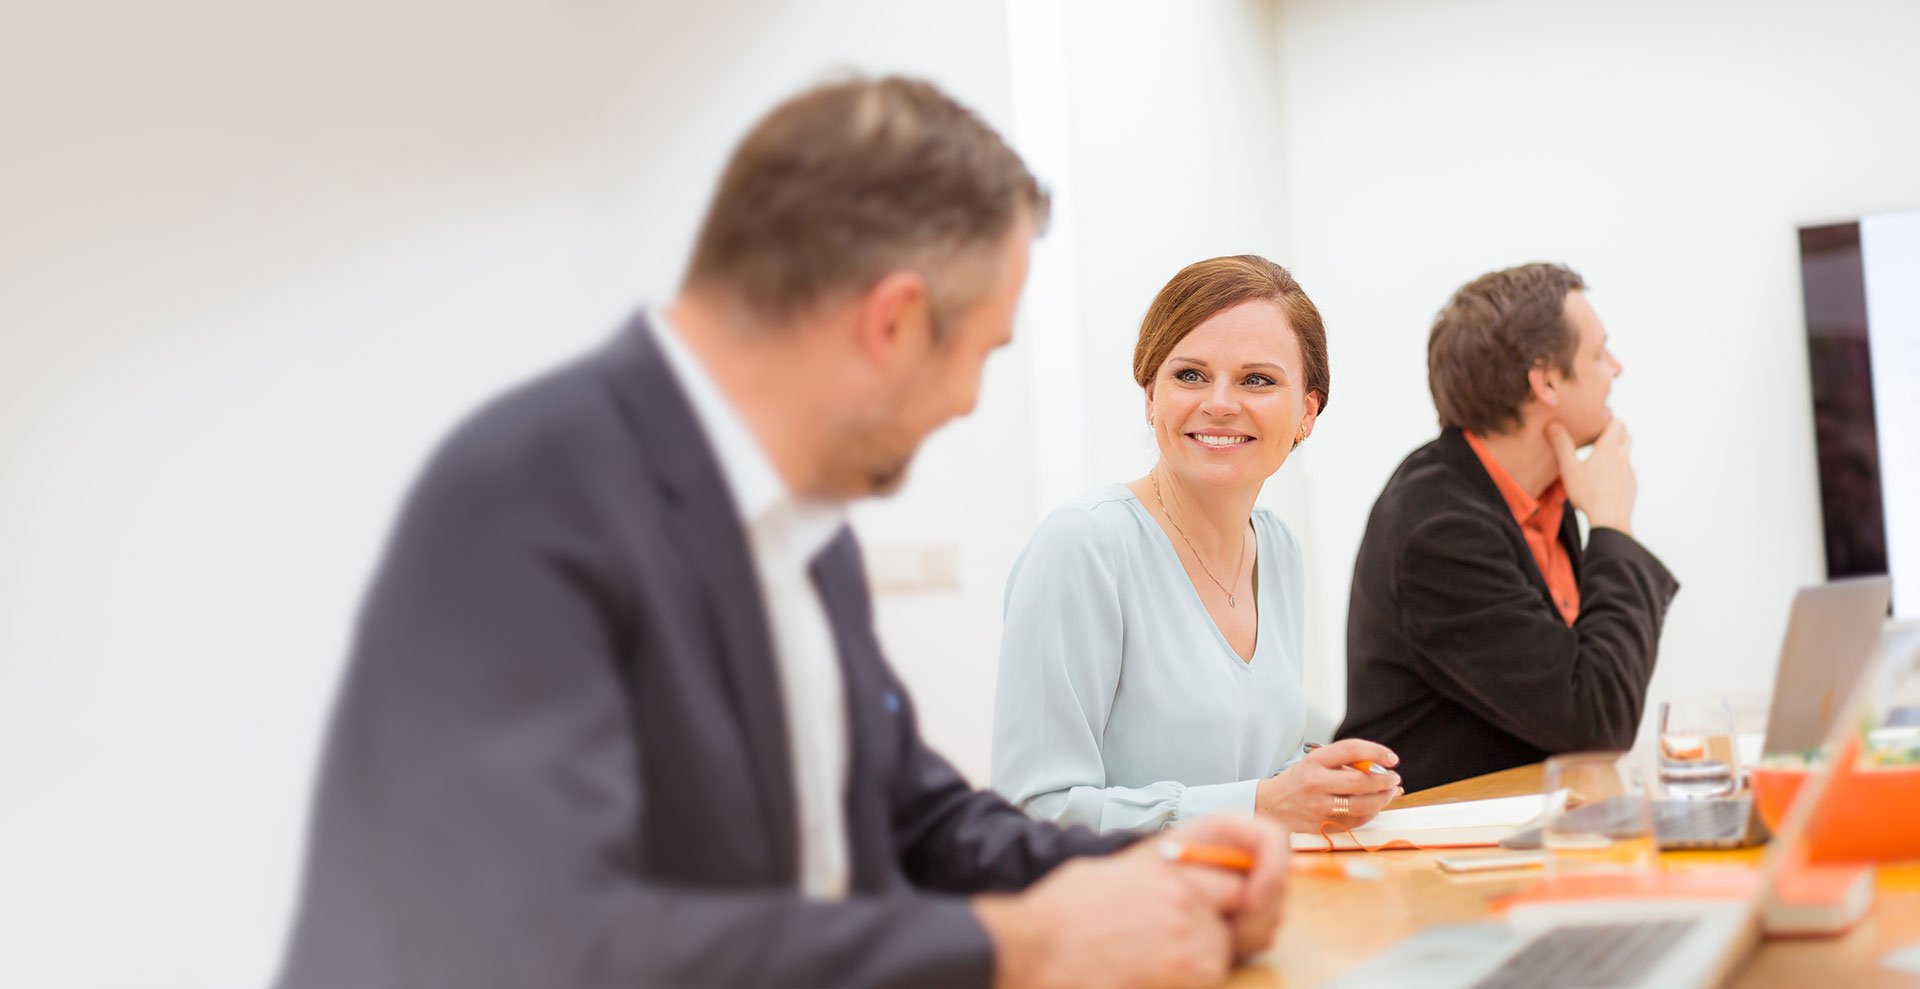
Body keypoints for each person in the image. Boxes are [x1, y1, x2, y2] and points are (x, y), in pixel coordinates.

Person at [276, 77, 1290, 989]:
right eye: (980, 353)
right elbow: (545, 940)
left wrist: (1165, 870)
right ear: (892, 322)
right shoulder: (524, 495)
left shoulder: (807, 526)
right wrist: (1010, 946)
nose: (971, 404)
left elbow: (917, 815)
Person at [992, 255, 1401, 838]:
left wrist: (1321, 783)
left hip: (1255, 902)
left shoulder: (1278, 548)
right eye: (1189, 375)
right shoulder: (1083, 546)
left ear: (1306, 411)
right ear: (1150, 396)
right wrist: (1262, 804)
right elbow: (1034, 814)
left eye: (1257, 379)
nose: (1219, 403)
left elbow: (1253, 765)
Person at [1336, 263, 1679, 793]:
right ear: (1545, 380)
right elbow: (1597, 722)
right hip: (1426, 855)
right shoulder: (1437, 528)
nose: (1616, 367)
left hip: (1523, 829)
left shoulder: (1543, 492)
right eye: (1597, 354)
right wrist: (1611, 524)